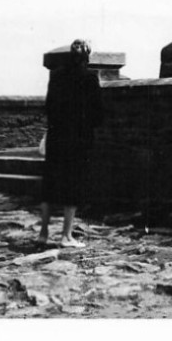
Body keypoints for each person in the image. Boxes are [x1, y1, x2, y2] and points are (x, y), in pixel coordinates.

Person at [38, 39, 104, 248]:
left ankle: (43, 232)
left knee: (50, 184)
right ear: (86, 57)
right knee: (73, 185)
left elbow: (49, 107)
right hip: (78, 138)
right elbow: (97, 113)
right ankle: (66, 236)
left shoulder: (56, 76)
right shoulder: (90, 78)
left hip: (57, 136)